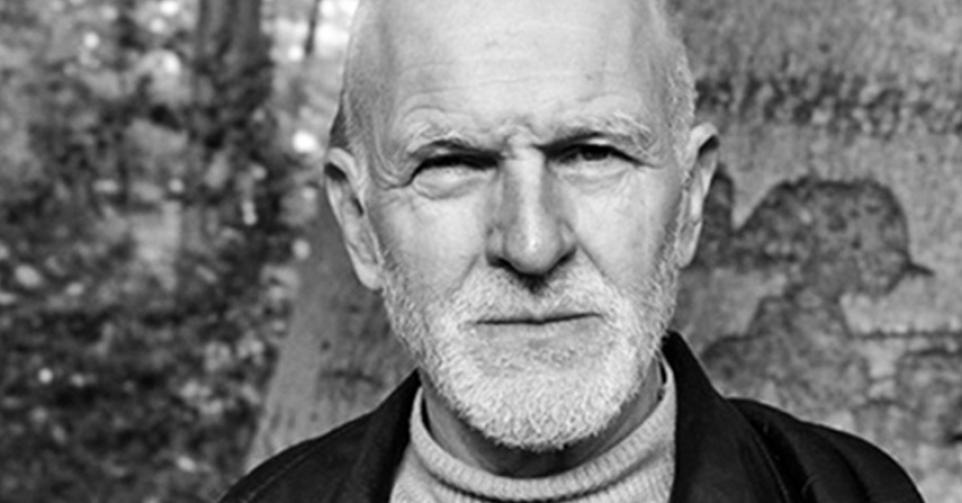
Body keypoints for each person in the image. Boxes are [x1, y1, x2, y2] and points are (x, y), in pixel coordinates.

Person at [219, 0, 924, 501]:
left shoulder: (855, 492)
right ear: (359, 223)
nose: (531, 245)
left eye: (592, 153)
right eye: (452, 164)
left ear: (689, 201)